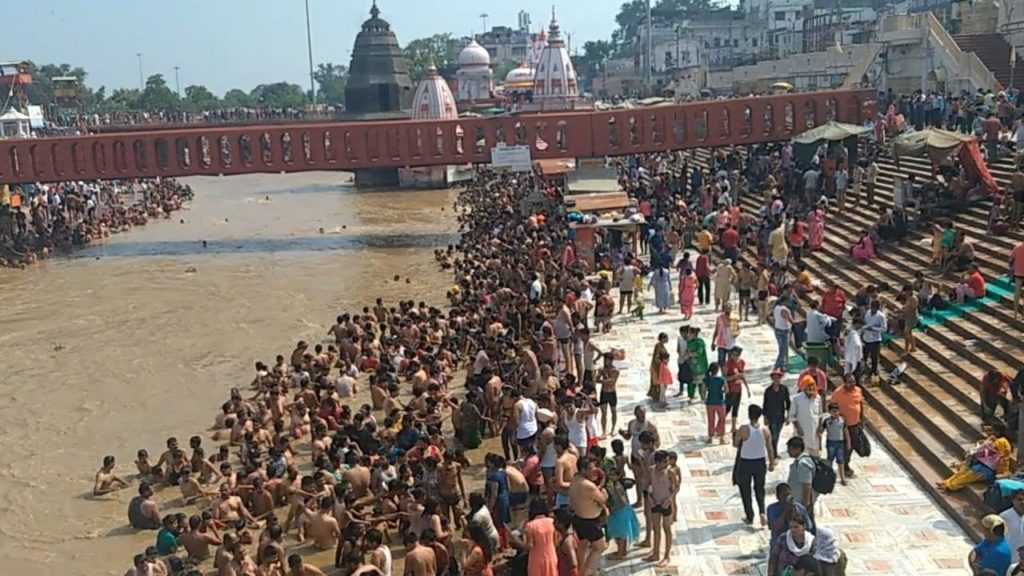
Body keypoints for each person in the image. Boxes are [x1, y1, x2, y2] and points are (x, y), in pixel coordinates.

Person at [939, 421, 1013, 492]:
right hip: (980, 465)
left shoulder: (1001, 442)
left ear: (997, 432)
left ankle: (950, 486)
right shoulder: (994, 439)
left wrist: (983, 445)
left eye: (991, 430)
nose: (988, 433)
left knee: (966, 477)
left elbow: (990, 451)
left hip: (988, 470)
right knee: (962, 471)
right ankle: (946, 482)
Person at [733, 404, 775, 527]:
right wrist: (771, 463)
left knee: (745, 489)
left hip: (745, 462)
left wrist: (736, 436)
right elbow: (770, 449)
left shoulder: (743, 429)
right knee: (759, 489)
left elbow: (736, 444)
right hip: (760, 462)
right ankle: (762, 511)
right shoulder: (765, 430)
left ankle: (750, 515)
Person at [645, 450, 678, 567]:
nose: (667, 463)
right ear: (658, 462)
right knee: (656, 528)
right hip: (655, 502)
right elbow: (649, 485)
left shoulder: (670, 472)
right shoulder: (651, 471)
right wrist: (650, 497)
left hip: (665, 503)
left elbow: (676, 488)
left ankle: (667, 556)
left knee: (666, 528)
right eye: (664, 461)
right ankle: (655, 552)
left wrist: (669, 499)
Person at [605, 464, 640, 558]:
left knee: (620, 533)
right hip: (623, 510)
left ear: (618, 476)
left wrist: (614, 508)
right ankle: (622, 551)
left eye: (613, 475)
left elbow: (622, 499)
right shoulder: (618, 485)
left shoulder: (616, 487)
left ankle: (620, 553)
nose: (611, 476)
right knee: (623, 533)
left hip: (620, 511)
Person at [786, 437, 818, 523]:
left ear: (798, 449)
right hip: (798, 500)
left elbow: (807, 485)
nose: (788, 451)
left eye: (791, 449)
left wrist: (804, 505)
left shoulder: (803, 464)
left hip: (802, 502)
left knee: (805, 526)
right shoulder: (799, 461)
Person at [522, 499, 558, 576]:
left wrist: (517, 541)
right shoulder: (552, 522)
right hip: (551, 556)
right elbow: (556, 541)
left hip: (536, 558)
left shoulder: (530, 526)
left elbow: (529, 546)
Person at [818, 402, 850, 486]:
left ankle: (842, 478)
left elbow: (846, 432)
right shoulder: (827, 421)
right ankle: (829, 477)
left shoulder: (842, 421)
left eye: (836, 411)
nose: (835, 413)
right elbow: (821, 432)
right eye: (833, 411)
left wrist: (848, 442)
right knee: (830, 460)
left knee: (841, 461)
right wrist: (819, 443)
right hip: (831, 442)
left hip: (840, 443)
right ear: (830, 412)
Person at [790, 376, 822, 457]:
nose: (811, 388)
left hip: (814, 433)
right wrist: (798, 428)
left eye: (812, 386)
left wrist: (820, 428)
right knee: (801, 455)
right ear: (804, 387)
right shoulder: (796, 399)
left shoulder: (818, 398)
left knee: (815, 456)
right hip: (802, 432)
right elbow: (792, 416)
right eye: (808, 386)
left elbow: (820, 415)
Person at [705, 362, 727, 445]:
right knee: (722, 419)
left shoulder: (707, 379)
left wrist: (704, 398)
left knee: (711, 420)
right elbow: (726, 390)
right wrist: (721, 391)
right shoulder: (721, 379)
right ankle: (721, 438)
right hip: (719, 402)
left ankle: (710, 437)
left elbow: (704, 389)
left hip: (710, 402)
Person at [1000, 490, 1024, 566]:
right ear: (1013, 500)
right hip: (1008, 556)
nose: (1023, 502)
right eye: (1020, 499)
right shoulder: (1004, 516)